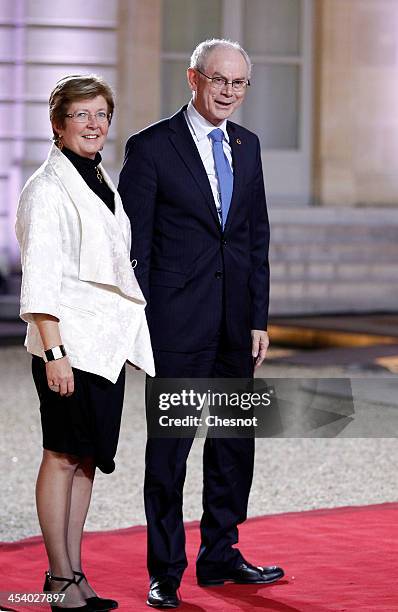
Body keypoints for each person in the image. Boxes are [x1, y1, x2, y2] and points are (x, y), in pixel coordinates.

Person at [118, 39, 284, 609]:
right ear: (194, 78)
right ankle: (165, 569)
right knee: (170, 452)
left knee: (234, 446)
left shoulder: (248, 145)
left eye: (239, 84)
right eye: (219, 81)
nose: (229, 93)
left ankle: (220, 554)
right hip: (177, 327)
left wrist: (258, 318)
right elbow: (131, 246)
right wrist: (139, 324)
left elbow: (255, 238)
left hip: (236, 327)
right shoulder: (152, 148)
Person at [16, 74, 154, 612]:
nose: (95, 124)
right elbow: (41, 279)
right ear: (58, 124)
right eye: (82, 115)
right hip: (67, 347)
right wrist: (54, 353)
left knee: (87, 460)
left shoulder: (98, 178)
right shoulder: (47, 189)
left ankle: (76, 576)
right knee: (60, 456)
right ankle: (56, 580)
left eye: (102, 114)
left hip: (102, 345)